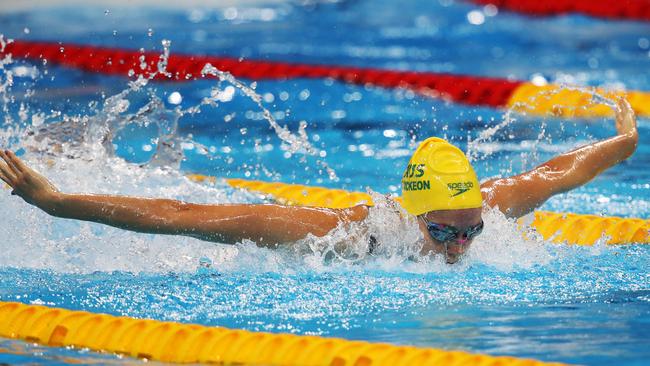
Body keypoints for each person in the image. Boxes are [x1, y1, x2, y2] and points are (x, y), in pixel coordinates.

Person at [0, 98, 638, 264]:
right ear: (414, 216)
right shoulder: (339, 236)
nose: (461, 247)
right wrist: (59, 204)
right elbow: (183, 215)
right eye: (446, 232)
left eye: (470, 230)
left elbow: (558, 173)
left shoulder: (481, 210)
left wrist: (626, 141)